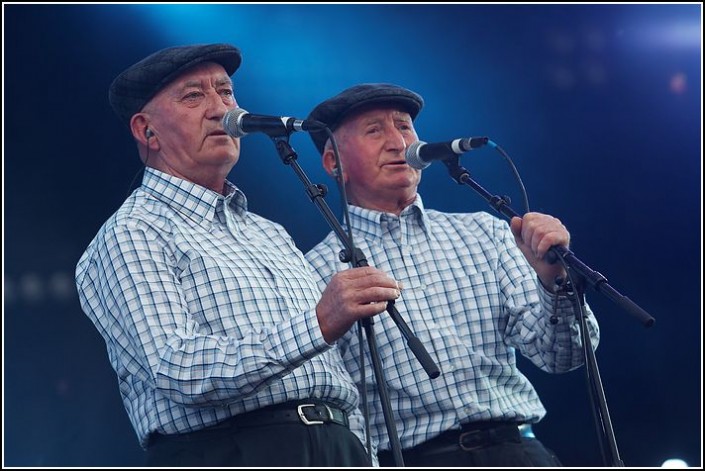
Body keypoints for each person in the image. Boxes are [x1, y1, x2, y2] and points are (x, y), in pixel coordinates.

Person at [74, 45, 402, 467]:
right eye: (193, 96)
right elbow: (181, 368)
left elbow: (335, 375)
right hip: (232, 450)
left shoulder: (270, 233)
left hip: (337, 445)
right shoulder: (133, 232)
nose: (220, 109)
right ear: (146, 130)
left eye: (226, 93)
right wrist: (318, 324)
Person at [304, 83, 601, 467]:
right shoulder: (316, 272)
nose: (397, 142)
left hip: (520, 451)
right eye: (375, 130)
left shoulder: (484, 232)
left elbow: (563, 355)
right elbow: (342, 408)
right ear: (333, 163)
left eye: (404, 126)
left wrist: (554, 280)